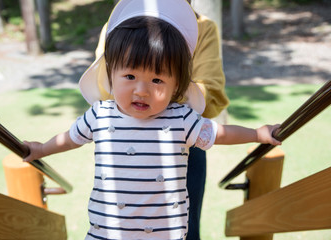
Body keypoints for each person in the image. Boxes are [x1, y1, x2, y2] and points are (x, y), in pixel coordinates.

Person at [23, 0, 280, 239]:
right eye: (130, 77)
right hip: (108, 233)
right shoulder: (100, 114)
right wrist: (41, 149)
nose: (141, 91)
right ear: (110, 74)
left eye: (157, 80)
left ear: (176, 85)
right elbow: (69, 139)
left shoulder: (180, 118)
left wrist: (257, 134)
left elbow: (220, 132)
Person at [94, 1, 228, 239]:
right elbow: (103, 85)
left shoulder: (203, 27)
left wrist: (160, 96)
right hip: (121, 142)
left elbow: (213, 93)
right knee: (117, 224)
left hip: (182, 144)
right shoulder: (120, 21)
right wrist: (159, 85)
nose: (141, 89)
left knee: (183, 229)